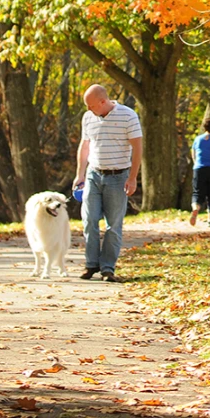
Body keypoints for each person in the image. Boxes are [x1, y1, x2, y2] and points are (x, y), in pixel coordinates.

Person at [72, 84, 142, 282]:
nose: (88, 109)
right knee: (89, 220)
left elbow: (138, 148)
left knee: (113, 225)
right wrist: (80, 175)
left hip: (118, 176)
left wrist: (132, 178)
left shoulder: (128, 116)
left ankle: (107, 268)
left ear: (103, 102)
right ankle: (91, 264)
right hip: (93, 174)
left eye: (91, 105)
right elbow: (84, 146)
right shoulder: (88, 117)